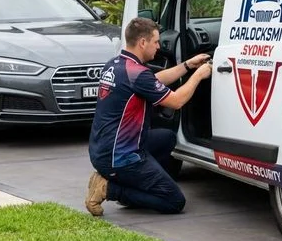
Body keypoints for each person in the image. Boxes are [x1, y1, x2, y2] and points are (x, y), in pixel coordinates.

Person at [84, 17, 213, 216]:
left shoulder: (116, 64)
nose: (159, 47)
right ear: (143, 43)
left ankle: (140, 185)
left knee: (167, 138)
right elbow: (177, 101)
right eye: (156, 42)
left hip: (103, 149)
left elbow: (153, 81)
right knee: (174, 201)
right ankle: (108, 188)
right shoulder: (137, 74)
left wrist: (188, 65)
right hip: (121, 157)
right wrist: (199, 75)